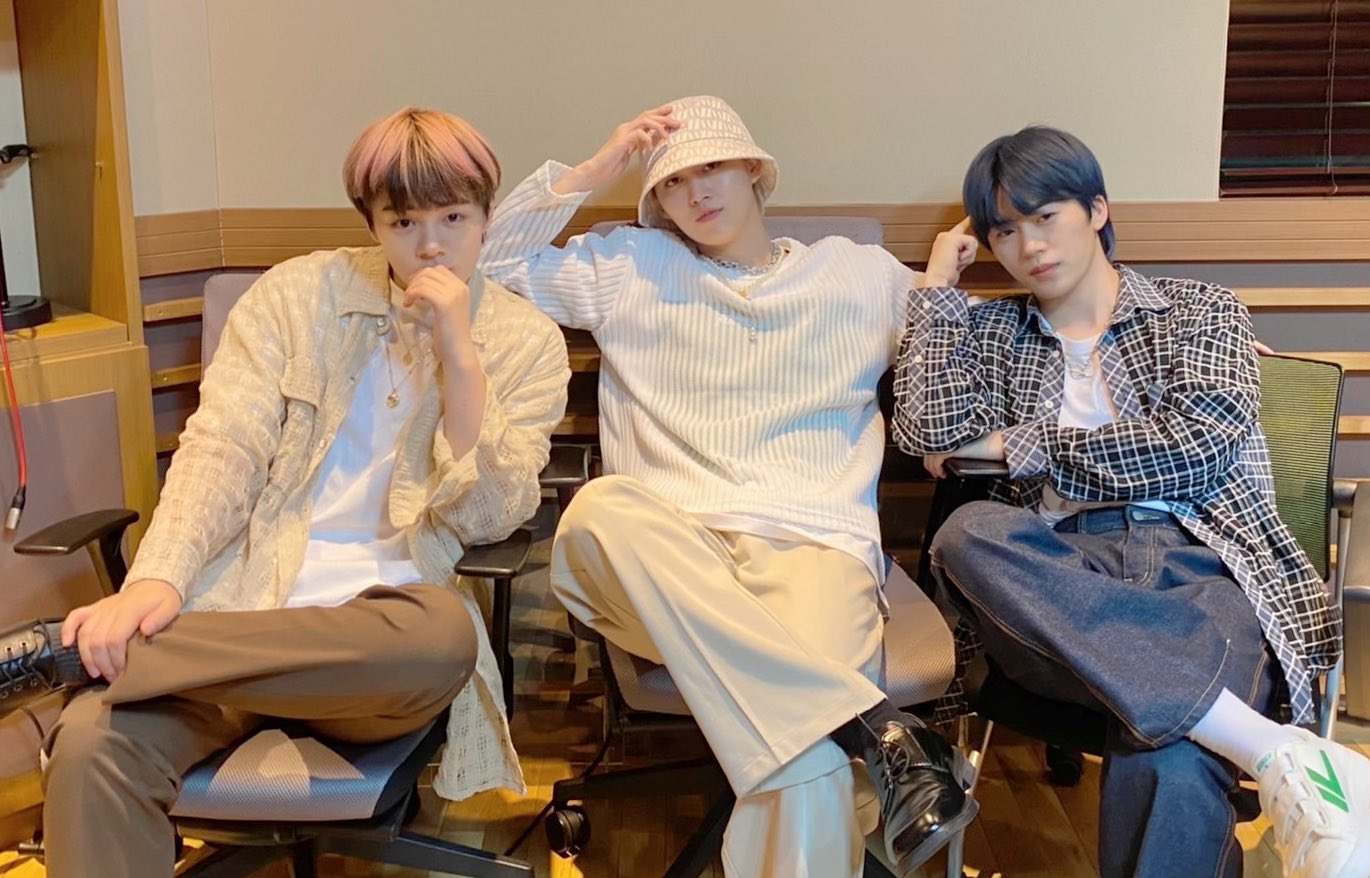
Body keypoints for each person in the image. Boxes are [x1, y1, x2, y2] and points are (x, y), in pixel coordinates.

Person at [0, 106, 569, 878]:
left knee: (442, 636)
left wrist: (460, 354)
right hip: (241, 613)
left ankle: (74, 656)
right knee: (91, 742)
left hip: (373, 668)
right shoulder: (296, 296)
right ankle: (126, 659)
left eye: (453, 218)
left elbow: (490, 515)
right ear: (372, 223)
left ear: (487, 216)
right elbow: (222, 447)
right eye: (403, 221)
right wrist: (158, 581)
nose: (431, 244)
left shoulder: (527, 343)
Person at [478, 95, 976, 878]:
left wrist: (940, 278)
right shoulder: (631, 265)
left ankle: (851, 743)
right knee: (600, 510)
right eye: (673, 183)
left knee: (804, 759)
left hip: (815, 547)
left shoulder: (856, 273)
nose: (695, 192)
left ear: (753, 170)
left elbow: (960, 367)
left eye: (711, 168)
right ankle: (877, 733)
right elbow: (484, 265)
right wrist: (595, 169)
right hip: (668, 559)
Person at [894, 124, 1370, 878]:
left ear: (1096, 209)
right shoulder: (991, 331)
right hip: (1054, 574)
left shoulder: (1198, 310)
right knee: (967, 534)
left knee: (1169, 753)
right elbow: (926, 431)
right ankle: (1274, 750)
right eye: (1004, 230)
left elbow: (1194, 448)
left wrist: (1018, 444)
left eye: (1045, 216)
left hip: (1201, 559)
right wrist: (934, 290)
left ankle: (1230, 732)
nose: (1028, 245)